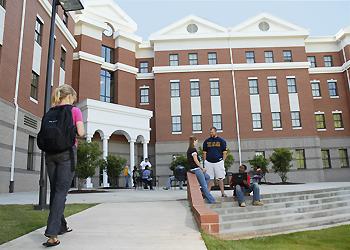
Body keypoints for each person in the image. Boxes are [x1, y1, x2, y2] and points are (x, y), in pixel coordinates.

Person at [39, 84, 85, 247]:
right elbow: (81, 132)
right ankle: (52, 234)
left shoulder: (50, 112)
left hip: (50, 154)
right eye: (74, 98)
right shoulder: (74, 110)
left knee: (56, 191)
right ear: (70, 96)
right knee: (60, 193)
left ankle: (61, 225)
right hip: (67, 154)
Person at [187, 136, 216, 204]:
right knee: (204, 185)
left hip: (194, 169)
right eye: (196, 141)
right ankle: (211, 200)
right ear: (194, 141)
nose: (197, 142)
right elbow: (195, 160)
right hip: (196, 169)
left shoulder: (189, 149)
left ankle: (203, 191)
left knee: (207, 177)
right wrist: (201, 168)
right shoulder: (193, 150)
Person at [203, 127, 228, 197]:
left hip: (218, 162)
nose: (211, 133)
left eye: (212, 132)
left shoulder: (221, 141)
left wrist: (223, 161)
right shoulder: (206, 141)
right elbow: (204, 152)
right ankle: (207, 193)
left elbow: (225, 152)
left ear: (216, 132)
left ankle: (223, 193)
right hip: (209, 162)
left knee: (220, 178)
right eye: (210, 132)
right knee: (209, 178)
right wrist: (204, 161)